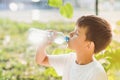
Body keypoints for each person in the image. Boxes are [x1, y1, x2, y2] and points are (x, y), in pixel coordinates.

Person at [35, 15, 112, 80]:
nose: (71, 34)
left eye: (77, 33)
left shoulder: (97, 74)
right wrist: (43, 44)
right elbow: (41, 60)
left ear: (89, 45)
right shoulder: (69, 59)